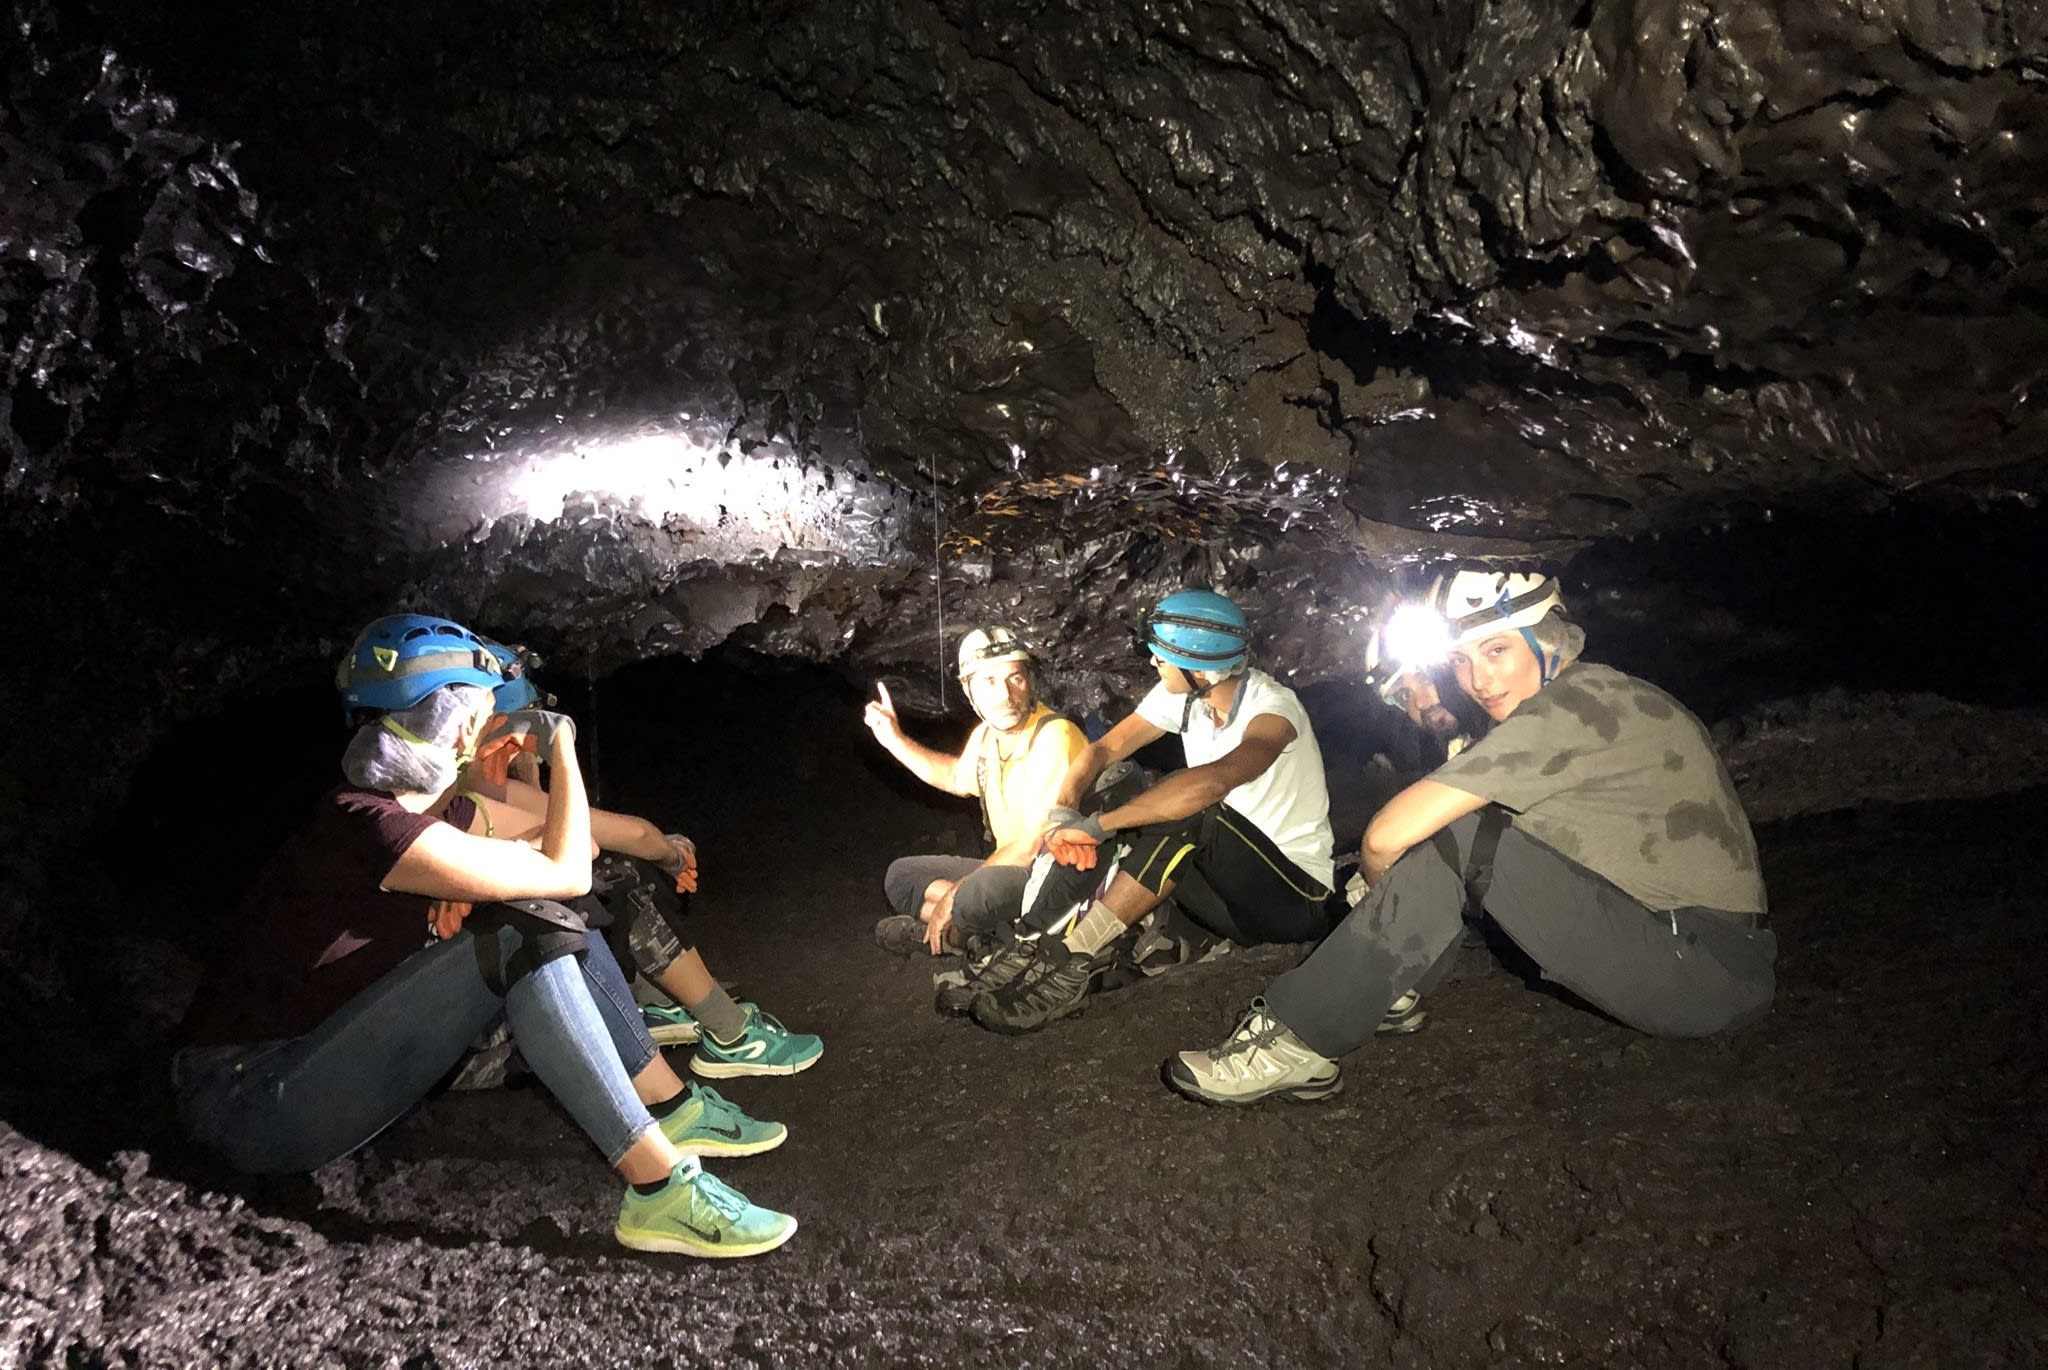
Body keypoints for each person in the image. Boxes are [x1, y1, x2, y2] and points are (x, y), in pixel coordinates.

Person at [174, 615, 797, 1257]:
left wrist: (477, 872)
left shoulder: (436, 811)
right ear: (466, 722)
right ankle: (661, 1188)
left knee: (541, 912)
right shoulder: (367, 824)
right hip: (252, 1099)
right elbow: (564, 870)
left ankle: (667, 1110)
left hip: (324, 1059)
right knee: (527, 924)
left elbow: (572, 854)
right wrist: (560, 752)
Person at [1163, 570, 1777, 1105]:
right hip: (1687, 949)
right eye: (1463, 660)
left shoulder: (1574, 706)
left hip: (1696, 964)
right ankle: (1384, 990)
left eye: (1498, 650)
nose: (1479, 678)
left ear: (1547, 639)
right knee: (1465, 835)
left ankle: (1299, 1039)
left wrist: (1378, 892)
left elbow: (1388, 835)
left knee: (1453, 828)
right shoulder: (1594, 695)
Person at [960, 588, 1337, 1035]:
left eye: (1161, 655)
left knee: (1187, 807)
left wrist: (1100, 826)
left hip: (1294, 899)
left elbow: (1214, 782)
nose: (1153, 662)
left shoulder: (1274, 708)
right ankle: (1032, 943)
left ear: (1197, 668)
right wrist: (1065, 812)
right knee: (1122, 792)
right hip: (1223, 896)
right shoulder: (1187, 698)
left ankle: (1072, 960)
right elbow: (1104, 750)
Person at [464, 642, 821, 1074]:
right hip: (490, 1031)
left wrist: (526, 770)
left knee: (601, 879)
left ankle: (656, 1003)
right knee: (614, 879)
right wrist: (673, 856)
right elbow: (630, 835)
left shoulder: (467, 789)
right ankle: (731, 1035)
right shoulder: (486, 791)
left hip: (481, 999)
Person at [864, 626, 1087, 956]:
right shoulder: (987, 736)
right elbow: (955, 777)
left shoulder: (1055, 737)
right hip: (1010, 874)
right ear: (969, 692)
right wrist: (895, 740)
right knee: (902, 876)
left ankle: (967, 937)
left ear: (1030, 682)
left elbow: (1032, 846)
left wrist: (955, 894)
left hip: (1054, 877)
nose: (1005, 695)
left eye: (1015, 678)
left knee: (976, 891)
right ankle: (988, 936)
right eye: (989, 682)